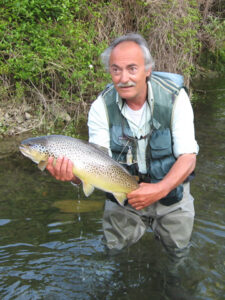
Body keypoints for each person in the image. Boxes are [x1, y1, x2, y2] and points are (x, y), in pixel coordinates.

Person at [46, 33, 199, 256]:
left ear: (148, 70)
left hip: (171, 193)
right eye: (116, 69)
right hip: (122, 195)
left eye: (132, 68)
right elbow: (94, 163)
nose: (123, 78)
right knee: (114, 252)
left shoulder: (176, 98)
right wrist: (73, 176)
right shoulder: (101, 107)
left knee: (177, 255)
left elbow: (188, 157)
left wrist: (160, 189)